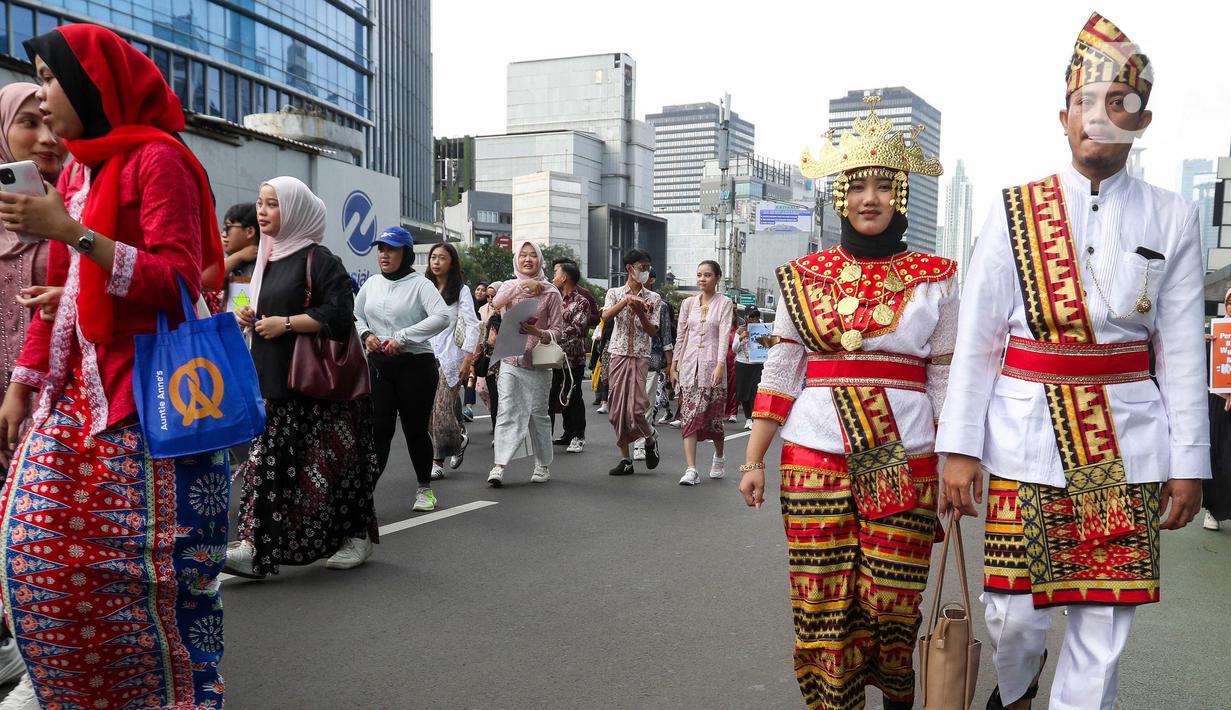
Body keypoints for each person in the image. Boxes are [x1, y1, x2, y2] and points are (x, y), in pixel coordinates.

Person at [936, 14, 1207, 710]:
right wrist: (959, 448)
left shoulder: (1172, 216)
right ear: (1063, 117)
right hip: (1020, 436)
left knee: (1102, 624)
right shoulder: (1013, 209)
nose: (1098, 116)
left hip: (1124, 443)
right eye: (1085, 102)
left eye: (1118, 102)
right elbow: (978, 339)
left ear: (1141, 121)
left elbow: (1181, 350)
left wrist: (1189, 463)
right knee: (1011, 616)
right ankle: (1018, 690)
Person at [0, 24, 229, 708]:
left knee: (144, 576)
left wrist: (70, 233)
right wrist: (21, 386)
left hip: (144, 402)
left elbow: (178, 282)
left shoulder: (159, 160)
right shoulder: (79, 171)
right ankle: (59, 688)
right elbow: (65, 290)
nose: (43, 96)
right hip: (73, 397)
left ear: (92, 84)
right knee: (33, 553)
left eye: (51, 78)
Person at [738, 94, 957, 710]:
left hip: (904, 456)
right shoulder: (801, 277)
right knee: (822, 602)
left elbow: (944, 378)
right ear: (840, 197)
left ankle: (896, 699)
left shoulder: (938, 275)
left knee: (894, 602)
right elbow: (782, 368)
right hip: (815, 457)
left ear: (900, 195)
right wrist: (754, 459)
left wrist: (952, 463)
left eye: (883, 186)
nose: (870, 199)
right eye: (856, 187)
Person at [229, 176, 380, 578]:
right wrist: (248, 315)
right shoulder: (267, 257)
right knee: (267, 463)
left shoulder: (320, 259)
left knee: (332, 466)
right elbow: (258, 307)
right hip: (272, 379)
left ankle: (355, 537)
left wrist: (287, 323)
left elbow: (340, 314)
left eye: (273, 204)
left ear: (294, 210)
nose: (262, 211)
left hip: (317, 387)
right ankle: (255, 548)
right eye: (260, 203)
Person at [0, 79, 67, 698]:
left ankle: (38, 655)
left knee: (36, 532)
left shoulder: (73, 208)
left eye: (49, 123)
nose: (46, 138)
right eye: (28, 123)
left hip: (50, 396)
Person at [354, 227, 450, 513]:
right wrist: (366, 335)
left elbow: (442, 317)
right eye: (381, 249)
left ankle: (425, 489)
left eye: (391, 249)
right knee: (379, 431)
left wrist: (403, 337)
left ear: (406, 253)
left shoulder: (420, 285)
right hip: (380, 367)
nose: (384, 255)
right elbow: (356, 315)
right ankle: (364, 497)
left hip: (415, 366)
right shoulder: (372, 284)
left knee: (415, 430)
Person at [486, 241, 563, 485]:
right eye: (523, 255)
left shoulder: (551, 292)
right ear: (516, 260)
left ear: (540, 260)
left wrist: (538, 332)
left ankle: (542, 464)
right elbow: (496, 304)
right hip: (510, 359)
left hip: (538, 363)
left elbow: (559, 330)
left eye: (533, 256)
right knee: (506, 410)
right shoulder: (509, 286)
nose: (527, 260)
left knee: (538, 414)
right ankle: (499, 465)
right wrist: (523, 286)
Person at [670, 260, 733, 485]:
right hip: (689, 367)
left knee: (714, 420)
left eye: (707, 275)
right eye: (699, 275)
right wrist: (674, 364)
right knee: (689, 416)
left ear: (717, 278)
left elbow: (724, 335)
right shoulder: (687, 304)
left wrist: (720, 364)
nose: (702, 279)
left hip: (712, 368)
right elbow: (681, 336)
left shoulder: (724, 303)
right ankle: (691, 469)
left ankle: (719, 456)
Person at [602, 249, 664, 476]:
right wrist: (627, 301)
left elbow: (652, 331)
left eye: (647, 267)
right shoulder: (614, 293)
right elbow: (605, 316)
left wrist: (640, 313)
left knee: (637, 408)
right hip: (618, 353)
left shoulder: (654, 298)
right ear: (629, 269)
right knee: (616, 411)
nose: (645, 271)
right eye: (642, 267)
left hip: (640, 355)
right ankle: (625, 459)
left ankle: (650, 437)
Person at [426, 242, 480, 486]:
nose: (436, 262)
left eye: (442, 258)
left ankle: (437, 462)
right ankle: (459, 437)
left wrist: (468, 358)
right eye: (433, 257)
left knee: (440, 409)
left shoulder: (461, 290)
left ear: (452, 263)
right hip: (426, 355)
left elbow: (473, 325)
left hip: (451, 357)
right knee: (434, 410)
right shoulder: (424, 288)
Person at [549, 258, 590, 452]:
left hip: (574, 358)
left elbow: (578, 328)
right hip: (554, 357)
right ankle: (567, 432)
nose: (553, 277)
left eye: (555, 273)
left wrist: (552, 336)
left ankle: (578, 435)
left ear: (564, 277)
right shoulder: (555, 299)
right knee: (556, 395)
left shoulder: (581, 301)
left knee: (573, 396)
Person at [632, 268, 673, 461]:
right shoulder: (622, 298)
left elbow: (666, 334)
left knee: (645, 403)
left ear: (652, 279)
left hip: (652, 358)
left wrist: (670, 363)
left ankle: (641, 444)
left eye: (645, 271)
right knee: (627, 406)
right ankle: (651, 434)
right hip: (627, 358)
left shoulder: (660, 304)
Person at [1205, 287, 1231, 531]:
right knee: (1217, 456)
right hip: (1218, 401)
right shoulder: (1216, 332)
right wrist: (1203, 345)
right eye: (1230, 301)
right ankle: (1213, 510)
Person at [221, 201, 260, 312]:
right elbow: (210, 280)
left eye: (228, 228)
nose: (223, 234)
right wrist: (238, 256)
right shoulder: (233, 261)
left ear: (250, 232)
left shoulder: (263, 263)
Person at [733, 304, 765, 430]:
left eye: (756, 316)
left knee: (755, 392)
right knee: (744, 393)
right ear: (746, 317)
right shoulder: (740, 330)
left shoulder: (763, 328)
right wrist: (741, 338)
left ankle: (754, 418)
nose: (754, 319)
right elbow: (734, 349)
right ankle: (748, 418)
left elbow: (768, 346)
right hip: (743, 364)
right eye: (752, 316)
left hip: (758, 365)